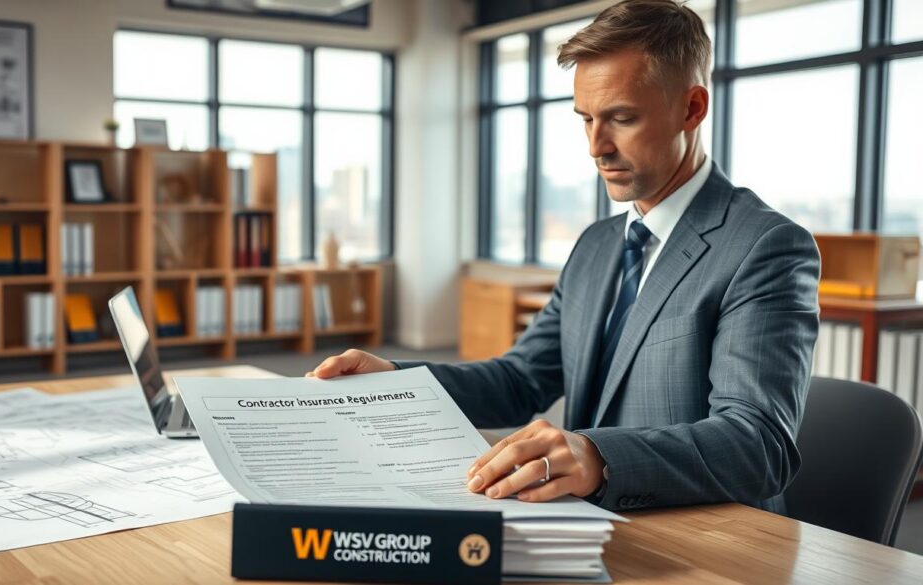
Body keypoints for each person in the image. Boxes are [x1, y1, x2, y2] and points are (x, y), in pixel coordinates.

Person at [308, 0, 819, 514]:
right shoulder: (597, 244)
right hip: (588, 520)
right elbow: (520, 380)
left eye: (621, 118)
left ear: (692, 108)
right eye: (586, 119)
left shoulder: (765, 247)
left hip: (704, 538)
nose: (597, 146)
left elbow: (758, 445)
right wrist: (397, 383)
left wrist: (596, 455)